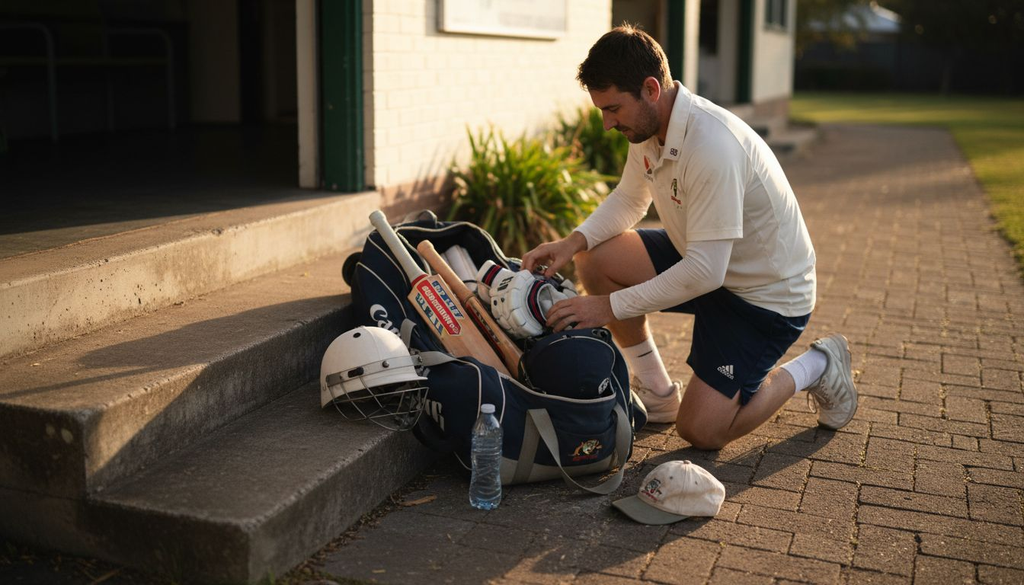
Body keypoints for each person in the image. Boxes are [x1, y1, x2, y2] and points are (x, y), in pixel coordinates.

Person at [521, 25, 857, 450]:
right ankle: (659, 397)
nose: (607, 124)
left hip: (765, 298)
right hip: (704, 262)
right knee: (595, 259)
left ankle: (819, 365)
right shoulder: (646, 127)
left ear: (650, 88)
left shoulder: (713, 145)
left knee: (702, 431)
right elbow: (630, 198)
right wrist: (572, 242)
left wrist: (606, 307)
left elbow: (705, 272)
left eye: (613, 109)